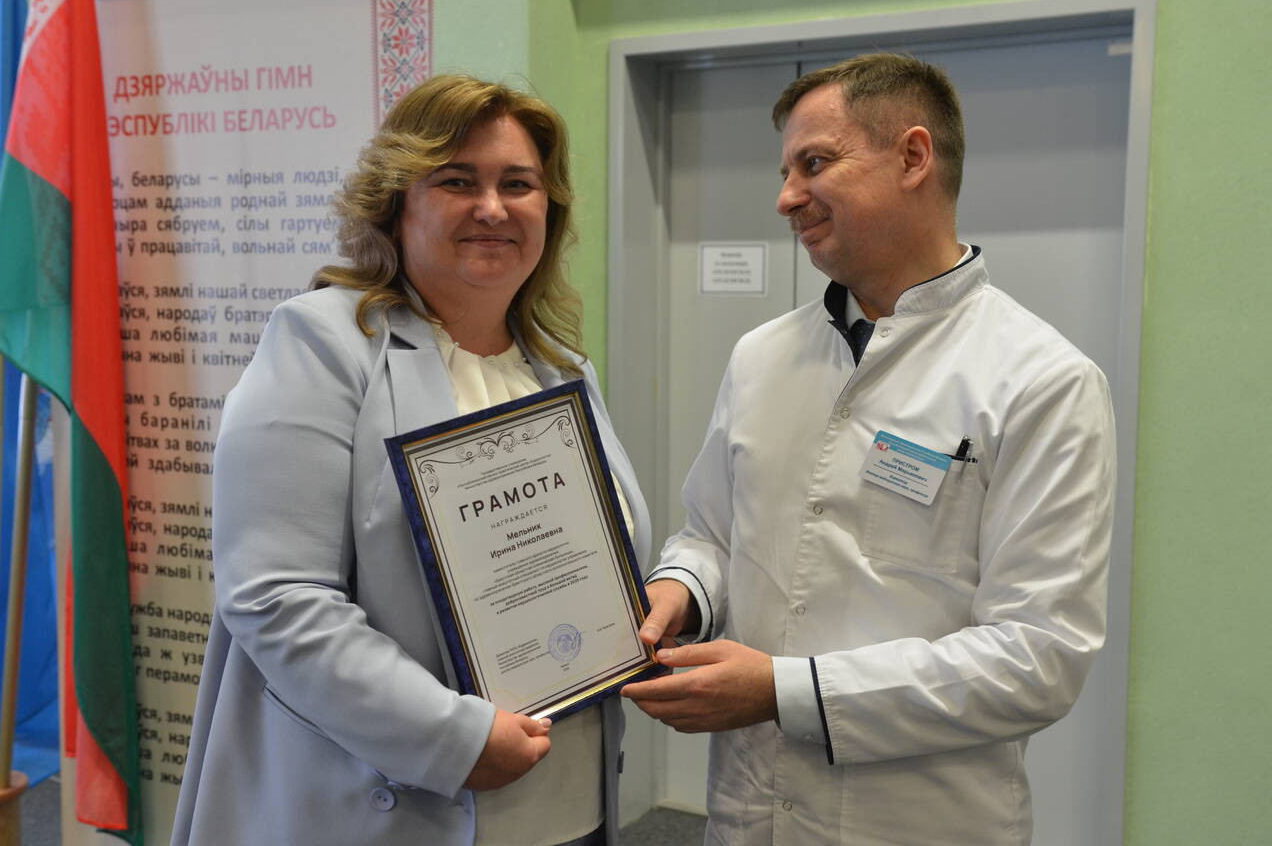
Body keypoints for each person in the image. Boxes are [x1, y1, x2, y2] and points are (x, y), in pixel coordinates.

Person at [621, 53, 1116, 844]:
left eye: (815, 164)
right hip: (750, 812)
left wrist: (785, 692)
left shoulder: (1041, 381)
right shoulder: (761, 355)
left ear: (913, 157)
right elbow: (711, 533)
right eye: (785, 171)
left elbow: (1037, 658)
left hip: (920, 821)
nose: (786, 197)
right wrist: (678, 591)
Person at [172, 75, 650, 846]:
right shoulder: (323, 343)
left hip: (571, 802)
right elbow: (275, 595)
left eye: (518, 184)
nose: (492, 208)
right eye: (457, 181)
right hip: (393, 803)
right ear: (396, 203)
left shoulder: (561, 369)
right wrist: (449, 738)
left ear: (549, 209)